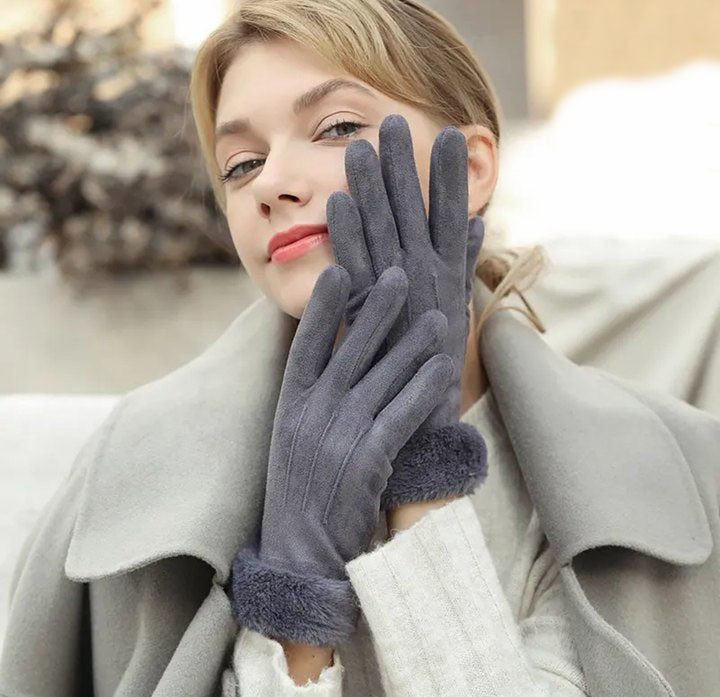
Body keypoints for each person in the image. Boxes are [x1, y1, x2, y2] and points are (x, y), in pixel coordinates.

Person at [2, 1, 719, 696]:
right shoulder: (126, 479)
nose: (271, 183)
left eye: (337, 127)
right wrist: (295, 600)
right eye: (241, 163)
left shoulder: (671, 477)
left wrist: (425, 475)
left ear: (471, 168)